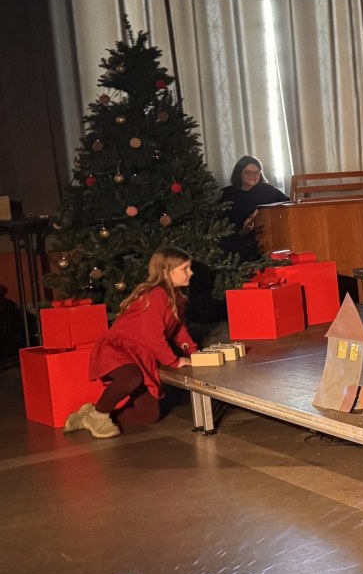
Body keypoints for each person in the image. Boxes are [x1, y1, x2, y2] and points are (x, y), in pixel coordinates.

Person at [65, 247, 197, 438]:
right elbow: (152, 337)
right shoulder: (156, 294)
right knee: (131, 377)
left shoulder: (177, 297)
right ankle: (99, 415)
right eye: (185, 268)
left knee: (149, 415)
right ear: (165, 272)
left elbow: (178, 329)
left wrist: (194, 352)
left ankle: (90, 415)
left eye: (189, 268)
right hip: (119, 350)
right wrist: (173, 361)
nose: (190, 273)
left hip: (142, 355)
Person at [219, 156, 286, 258]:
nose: (253, 176)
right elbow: (221, 225)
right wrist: (242, 229)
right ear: (239, 173)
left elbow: (287, 202)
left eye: (257, 172)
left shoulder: (267, 190)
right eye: (248, 172)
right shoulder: (226, 194)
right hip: (236, 241)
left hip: (265, 237)